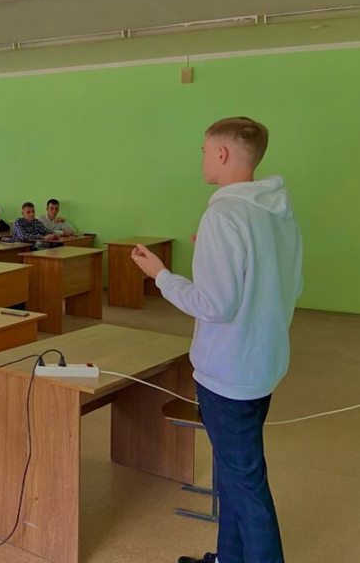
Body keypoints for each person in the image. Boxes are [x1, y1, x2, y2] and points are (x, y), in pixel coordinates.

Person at [131, 117, 302, 563]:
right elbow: (285, 282)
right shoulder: (275, 212)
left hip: (229, 372)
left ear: (223, 154)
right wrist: (210, 253)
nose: (203, 158)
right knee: (232, 473)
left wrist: (161, 275)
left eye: (205, 150)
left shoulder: (224, 214)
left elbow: (214, 306)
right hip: (262, 364)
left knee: (245, 486)